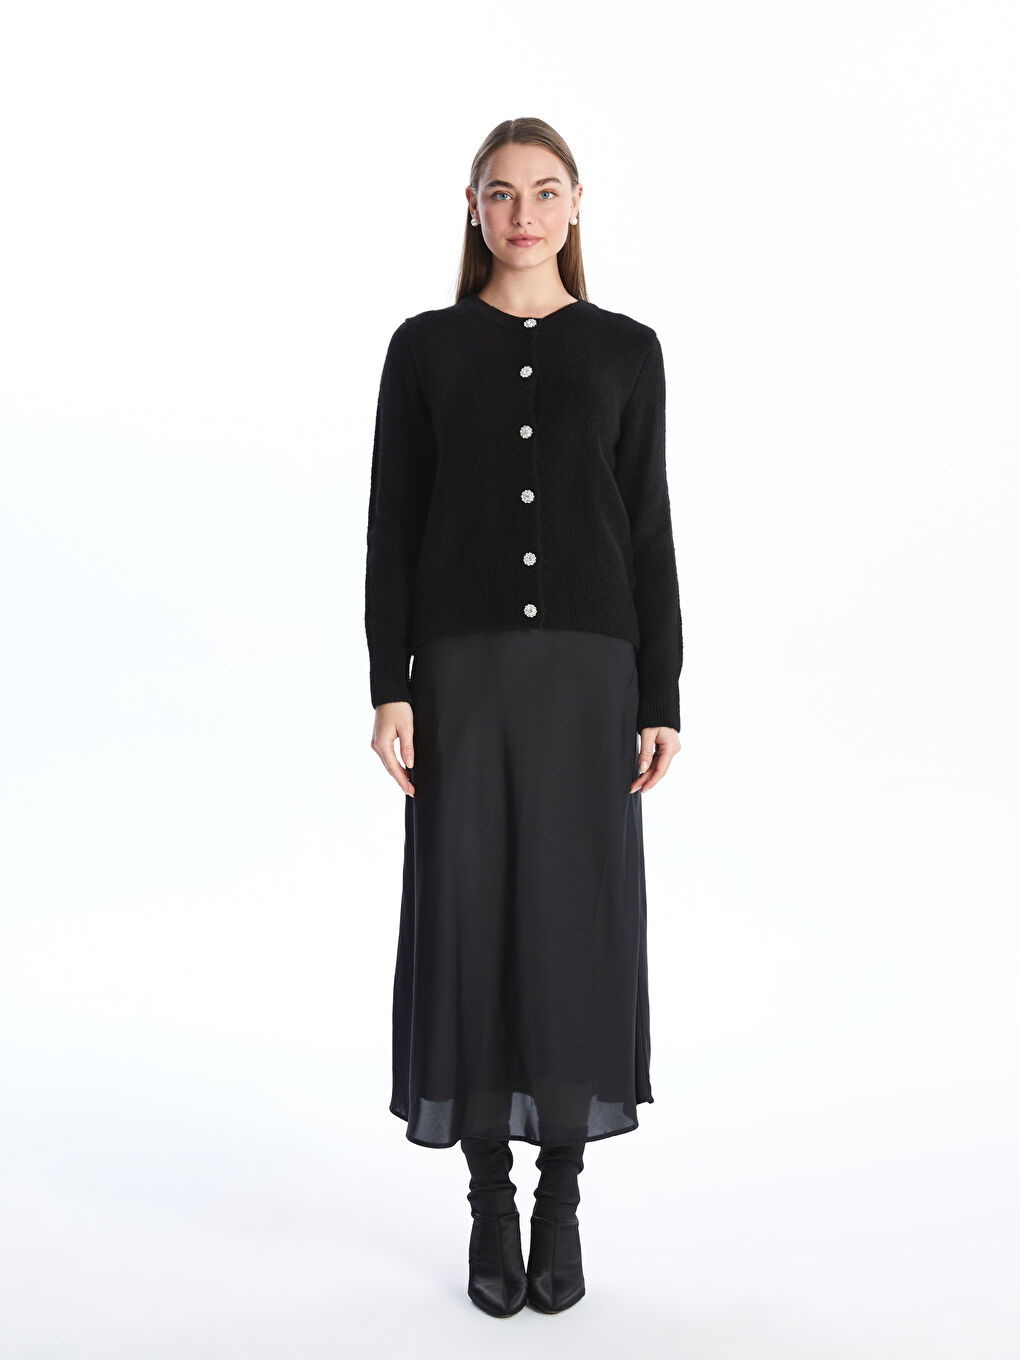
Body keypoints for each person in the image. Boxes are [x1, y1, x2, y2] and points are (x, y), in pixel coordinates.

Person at [364, 117, 683, 1317]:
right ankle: (489, 1202)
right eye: (502, 194)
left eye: (546, 192)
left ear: (578, 204)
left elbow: (648, 524)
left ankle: (562, 1201)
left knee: (571, 925)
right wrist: (389, 683)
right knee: (470, 920)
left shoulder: (628, 350)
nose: (524, 214)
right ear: (473, 207)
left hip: (591, 677)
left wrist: (662, 693)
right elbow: (393, 524)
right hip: (464, 675)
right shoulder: (426, 348)